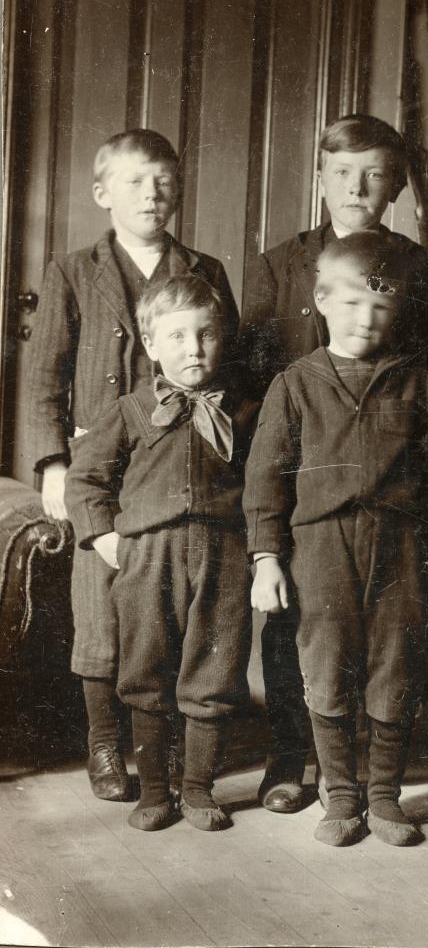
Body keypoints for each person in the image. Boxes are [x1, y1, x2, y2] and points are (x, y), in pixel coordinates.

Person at [239, 112, 428, 814]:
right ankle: (288, 759)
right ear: (321, 177)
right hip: (305, 486)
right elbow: (252, 383)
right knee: (294, 630)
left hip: (389, 483)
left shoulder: (417, 267)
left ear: (395, 185)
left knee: (386, 640)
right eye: (342, 172)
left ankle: (368, 778)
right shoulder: (279, 263)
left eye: (374, 174)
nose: (357, 187)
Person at [28, 129, 240, 802]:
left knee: (171, 610)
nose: (151, 195)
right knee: (99, 603)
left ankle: (166, 744)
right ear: (103, 193)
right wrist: (53, 463)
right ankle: (102, 742)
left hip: (177, 464)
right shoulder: (72, 270)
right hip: (99, 459)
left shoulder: (205, 269)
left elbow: (228, 363)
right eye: (135, 182)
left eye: (163, 182)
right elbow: (45, 376)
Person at [65, 275, 256, 831]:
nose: (193, 349)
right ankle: (153, 792)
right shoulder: (130, 410)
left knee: (214, 672)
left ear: (222, 337)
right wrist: (105, 538)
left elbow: (270, 484)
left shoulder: (246, 411)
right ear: (150, 344)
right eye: (176, 336)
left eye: (206, 334)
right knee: (146, 671)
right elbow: (85, 480)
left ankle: (197, 790)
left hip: (224, 556)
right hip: (149, 559)